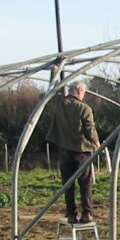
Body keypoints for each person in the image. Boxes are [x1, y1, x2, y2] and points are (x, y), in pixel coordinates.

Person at [46, 81, 101, 224]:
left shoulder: (59, 105)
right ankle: (87, 213)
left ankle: (71, 214)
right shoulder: (84, 108)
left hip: (64, 150)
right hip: (81, 151)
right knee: (85, 182)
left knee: (67, 184)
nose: (83, 96)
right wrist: (96, 143)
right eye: (83, 93)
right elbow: (90, 129)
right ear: (78, 92)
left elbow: (54, 92)